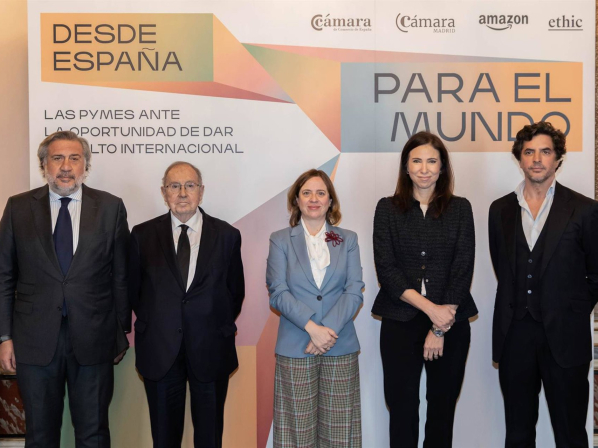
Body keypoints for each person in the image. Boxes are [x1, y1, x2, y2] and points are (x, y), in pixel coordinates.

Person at [0, 130, 130, 448]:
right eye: (57, 158)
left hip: (94, 337)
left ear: (86, 164)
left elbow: (121, 276)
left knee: (93, 432)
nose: (66, 166)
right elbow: (4, 277)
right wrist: (4, 337)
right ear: (44, 164)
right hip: (34, 340)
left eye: (75, 158)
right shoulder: (18, 207)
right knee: (40, 435)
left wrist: (119, 332)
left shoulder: (111, 207)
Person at [489, 121, 598, 447]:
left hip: (566, 338)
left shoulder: (585, 209)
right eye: (529, 152)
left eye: (545, 152)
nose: (537, 159)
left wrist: (573, 311)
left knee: (570, 435)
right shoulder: (500, 210)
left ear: (558, 159)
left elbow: (596, 274)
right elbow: (503, 267)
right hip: (514, 336)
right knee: (518, 433)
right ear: (519, 158)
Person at [372, 131, 477, 448]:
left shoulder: (460, 208)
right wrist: (432, 312)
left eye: (432, 161)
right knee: (401, 407)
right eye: (416, 161)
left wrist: (440, 326)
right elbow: (387, 270)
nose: (424, 168)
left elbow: (463, 267)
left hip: (451, 322)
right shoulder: (387, 208)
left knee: (442, 409)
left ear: (442, 167)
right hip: (400, 320)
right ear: (406, 166)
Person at [129, 161, 244, 448]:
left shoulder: (227, 235)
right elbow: (134, 291)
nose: (182, 193)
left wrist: (208, 321)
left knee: (209, 438)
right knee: (164, 438)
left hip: (211, 347)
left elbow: (235, 292)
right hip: (159, 349)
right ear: (163, 192)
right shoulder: (142, 235)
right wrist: (162, 321)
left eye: (190, 185)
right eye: (174, 186)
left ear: (201, 191)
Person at [266, 169, 364, 448]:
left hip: (339, 344)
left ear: (330, 201)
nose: (314, 199)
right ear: (296, 200)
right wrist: (312, 328)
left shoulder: (348, 239)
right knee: (296, 435)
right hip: (296, 346)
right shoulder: (280, 239)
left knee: (339, 435)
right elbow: (278, 291)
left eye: (321, 193)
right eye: (306, 193)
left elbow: (354, 289)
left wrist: (326, 331)